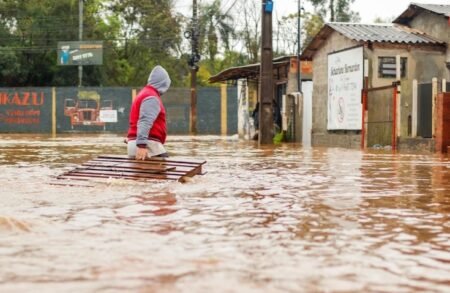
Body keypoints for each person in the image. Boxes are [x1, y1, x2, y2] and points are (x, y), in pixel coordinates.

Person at [126, 65, 171, 160]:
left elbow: (136, 120)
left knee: (139, 175)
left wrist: (134, 139)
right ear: (163, 83)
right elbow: (145, 121)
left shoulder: (142, 93)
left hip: (135, 142)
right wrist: (141, 145)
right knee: (166, 171)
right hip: (148, 144)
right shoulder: (152, 97)